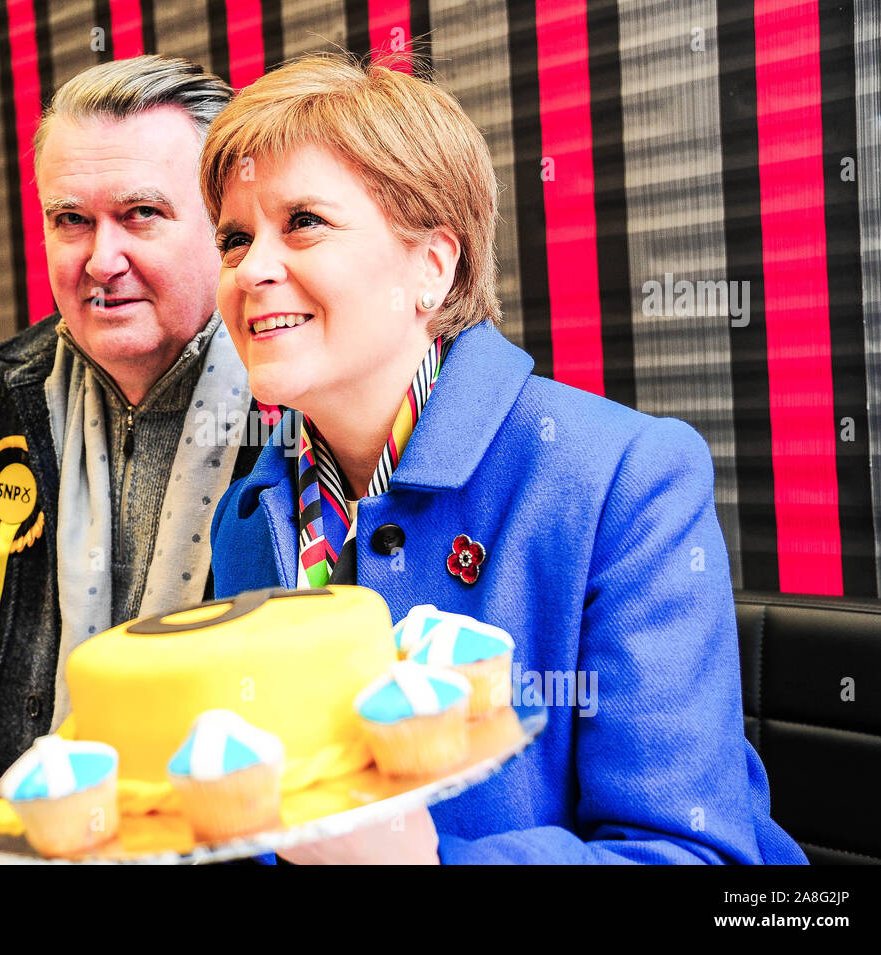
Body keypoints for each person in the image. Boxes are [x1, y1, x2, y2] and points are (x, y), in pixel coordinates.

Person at [201, 55, 807, 864]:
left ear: (432, 265)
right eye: (235, 239)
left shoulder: (626, 478)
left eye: (303, 220)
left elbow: (694, 858)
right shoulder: (250, 511)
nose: (253, 270)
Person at [0, 55, 259, 803]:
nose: (101, 260)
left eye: (141, 213)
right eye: (71, 220)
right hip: (18, 818)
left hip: (225, 829)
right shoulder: (5, 386)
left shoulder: (293, 396)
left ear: (223, 221)